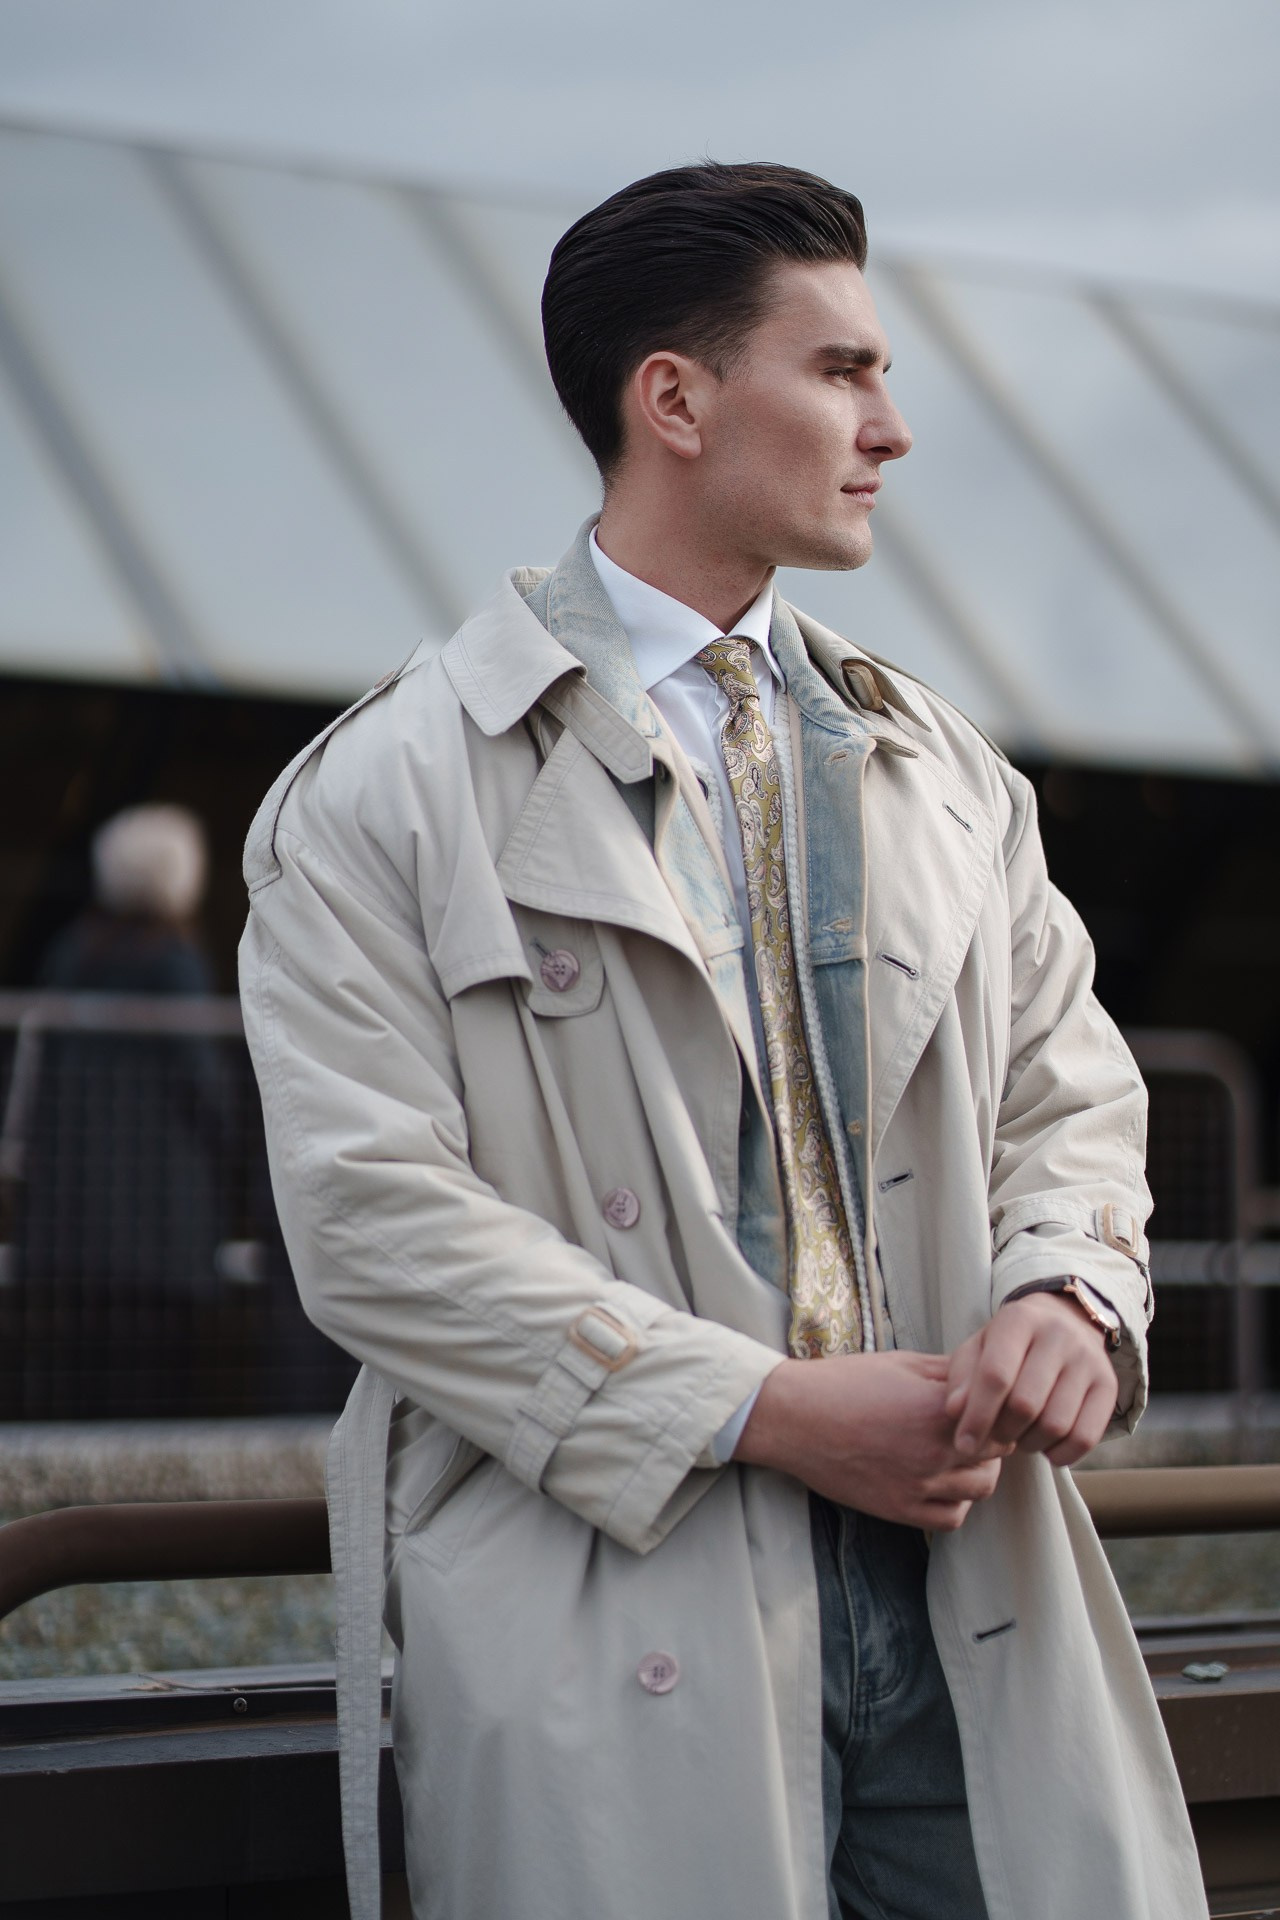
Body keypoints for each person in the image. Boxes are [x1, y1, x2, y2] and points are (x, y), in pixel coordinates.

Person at [239, 163, 1206, 1920]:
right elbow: (369, 1220)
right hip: (624, 1582)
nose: (892, 426)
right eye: (841, 371)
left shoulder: (952, 770)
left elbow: (1072, 1087)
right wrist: (757, 1409)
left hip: (964, 1576)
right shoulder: (385, 789)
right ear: (672, 401)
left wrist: (1072, 1287)